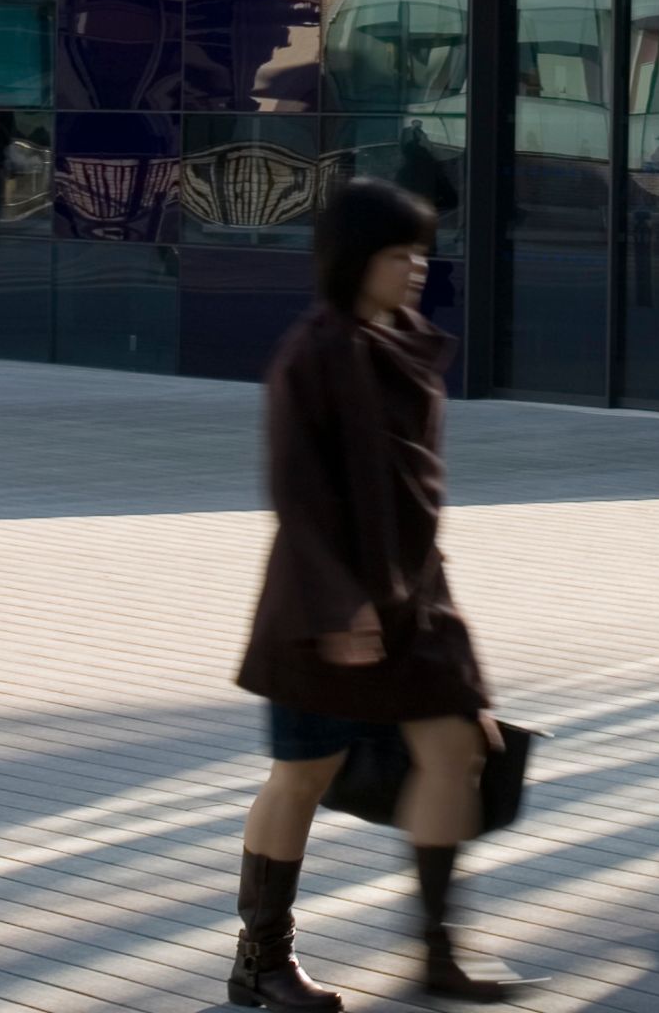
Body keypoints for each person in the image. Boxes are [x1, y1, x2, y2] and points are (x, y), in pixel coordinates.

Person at [227, 180, 536, 1009]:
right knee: (302, 777)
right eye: (399, 254)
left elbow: (419, 509)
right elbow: (297, 496)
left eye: (421, 252)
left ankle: (436, 954)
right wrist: (341, 608)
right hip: (322, 615)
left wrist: (449, 636)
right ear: (355, 260)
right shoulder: (315, 353)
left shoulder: (407, 345)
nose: (416, 268)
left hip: (411, 608)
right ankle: (261, 964)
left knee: (458, 752)